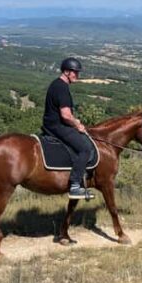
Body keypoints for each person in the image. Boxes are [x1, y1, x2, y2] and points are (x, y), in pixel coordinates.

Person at [42, 57, 95, 200]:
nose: (77, 75)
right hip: (57, 126)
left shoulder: (56, 84)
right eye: (75, 72)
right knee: (85, 148)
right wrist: (78, 125)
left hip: (50, 124)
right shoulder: (62, 88)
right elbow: (65, 115)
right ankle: (75, 186)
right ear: (66, 72)